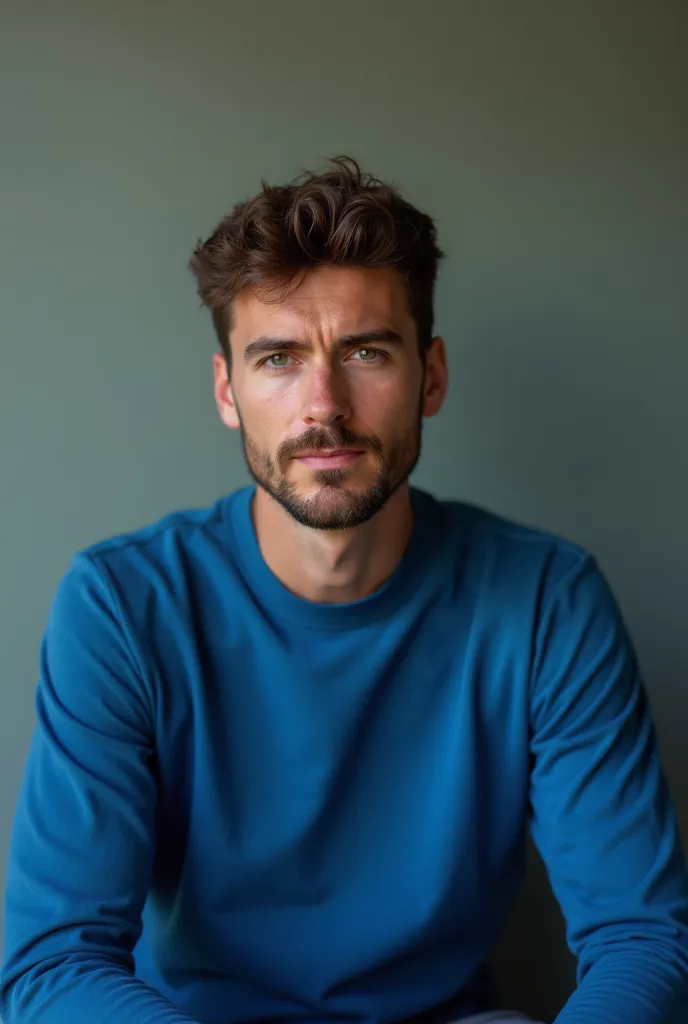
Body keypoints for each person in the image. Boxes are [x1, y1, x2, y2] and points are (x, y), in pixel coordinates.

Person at [1, 156, 687, 1024]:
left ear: (431, 376)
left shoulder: (547, 600)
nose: (322, 404)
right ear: (228, 391)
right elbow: (53, 964)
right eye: (279, 358)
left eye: (365, 351)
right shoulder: (122, 607)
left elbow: (642, 939)